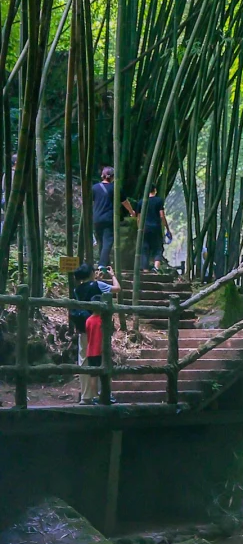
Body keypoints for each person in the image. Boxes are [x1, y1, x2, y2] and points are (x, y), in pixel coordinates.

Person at [76, 264, 119, 404]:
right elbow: (117, 289)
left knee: (84, 360)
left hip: (83, 327)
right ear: (91, 273)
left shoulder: (76, 289)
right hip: (98, 328)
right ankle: (103, 394)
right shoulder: (98, 285)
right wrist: (112, 275)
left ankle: (86, 396)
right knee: (102, 360)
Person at [131, 183, 172, 270]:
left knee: (144, 248)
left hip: (144, 228)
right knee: (158, 248)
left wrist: (139, 229)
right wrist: (167, 229)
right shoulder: (159, 201)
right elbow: (162, 216)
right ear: (155, 190)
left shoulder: (141, 202)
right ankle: (156, 268)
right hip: (156, 228)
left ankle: (145, 270)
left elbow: (138, 218)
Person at [92, 167, 117, 268]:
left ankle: (106, 264)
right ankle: (101, 264)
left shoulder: (94, 187)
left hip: (96, 218)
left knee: (102, 241)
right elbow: (124, 202)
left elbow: (90, 202)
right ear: (112, 177)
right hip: (108, 218)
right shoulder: (114, 188)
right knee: (108, 241)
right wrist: (132, 212)